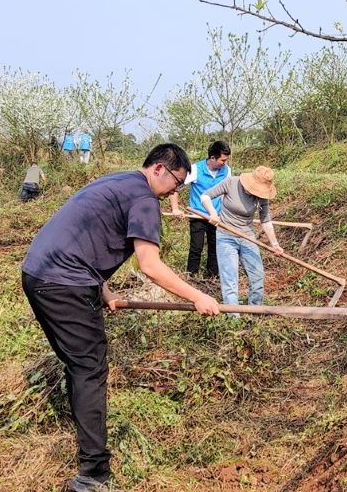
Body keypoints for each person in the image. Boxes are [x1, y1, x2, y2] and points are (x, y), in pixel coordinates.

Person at [21, 143, 220, 492]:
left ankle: (86, 444)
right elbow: (151, 265)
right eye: (176, 181)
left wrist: (102, 289)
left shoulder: (119, 182)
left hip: (38, 272)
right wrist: (199, 295)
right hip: (64, 283)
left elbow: (89, 234)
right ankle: (93, 475)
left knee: (78, 365)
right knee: (89, 369)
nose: (176, 191)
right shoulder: (144, 198)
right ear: (159, 168)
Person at [201, 166, 283, 309]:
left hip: (247, 237)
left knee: (257, 276)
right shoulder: (231, 182)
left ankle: (254, 312)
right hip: (226, 236)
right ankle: (234, 319)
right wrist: (213, 213)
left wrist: (275, 244)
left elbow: (266, 221)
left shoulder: (262, 196)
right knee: (230, 280)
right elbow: (205, 196)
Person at [170, 140, 232, 279]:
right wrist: (175, 208)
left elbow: (226, 193)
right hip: (198, 215)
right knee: (196, 247)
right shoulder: (195, 169)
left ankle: (212, 276)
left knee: (215, 247)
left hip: (216, 216)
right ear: (212, 158)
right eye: (222, 160)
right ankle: (191, 276)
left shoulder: (226, 171)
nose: (225, 163)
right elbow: (175, 188)